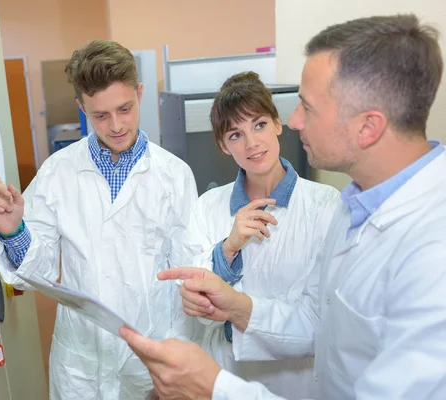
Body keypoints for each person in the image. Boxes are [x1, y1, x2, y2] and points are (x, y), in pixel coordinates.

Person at [120, 13, 446, 399]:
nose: (294, 121)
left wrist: (214, 387)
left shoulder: (429, 247)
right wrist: (236, 303)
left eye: (307, 108)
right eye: (236, 135)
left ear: (368, 126)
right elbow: (315, 319)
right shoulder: (352, 207)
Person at [0, 39, 199, 399]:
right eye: (100, 115)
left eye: (125, 108)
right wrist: (14, 231)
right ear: (81, 107)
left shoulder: (174, 176)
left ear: (140, 93)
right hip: (82, 363)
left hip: (152, 356)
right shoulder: (57, 173)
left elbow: (189, 268)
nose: (116, 125)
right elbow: (41, 272)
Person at [187, 71, 340, 399]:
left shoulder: (325, 205)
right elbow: (195, 312)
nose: (252, 143)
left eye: (259, 125)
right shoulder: (206, 207)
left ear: (277, 124)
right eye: (235, 135)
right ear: (223, 145)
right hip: (227, 376)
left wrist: (233, 310)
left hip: (297, 382)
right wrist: (228, 249)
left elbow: (318, 322)